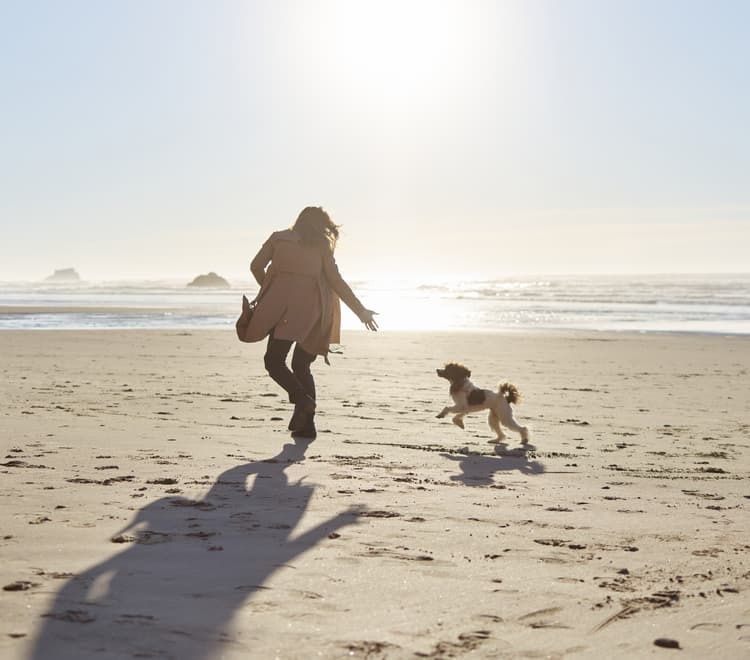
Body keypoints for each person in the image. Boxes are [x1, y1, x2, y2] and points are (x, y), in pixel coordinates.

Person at [238, 207, 378, 439]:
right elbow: (336, 282)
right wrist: (360, 311)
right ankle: (307, 425)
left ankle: (303, 400)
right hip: (314, 314)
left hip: (282, 311)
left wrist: (271, 289)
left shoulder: (278, 238)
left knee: (273, 361)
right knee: (301, 366)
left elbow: (255, 266)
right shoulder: (322, 247)